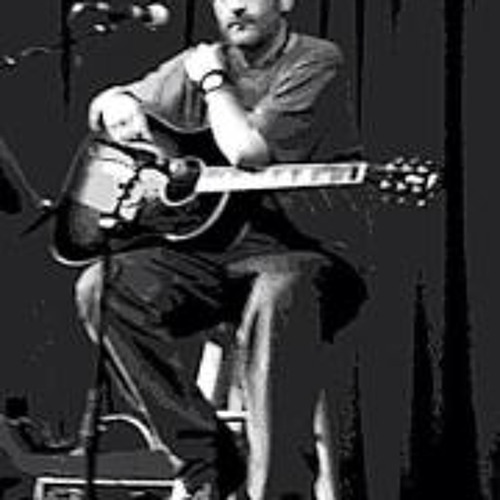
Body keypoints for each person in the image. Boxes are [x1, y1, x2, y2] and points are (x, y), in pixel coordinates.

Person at [75, 0, 369, 498]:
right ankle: (206, 459)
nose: (235, 6)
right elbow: (104, 111)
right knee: (102, 288)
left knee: (280, 293)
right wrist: (115, 101)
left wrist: (213, 83)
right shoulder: (198, 59)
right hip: (211, 253)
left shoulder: (315, 60)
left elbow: (248, 153)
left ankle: (277, 490)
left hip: (305, 250)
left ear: (284, 2)